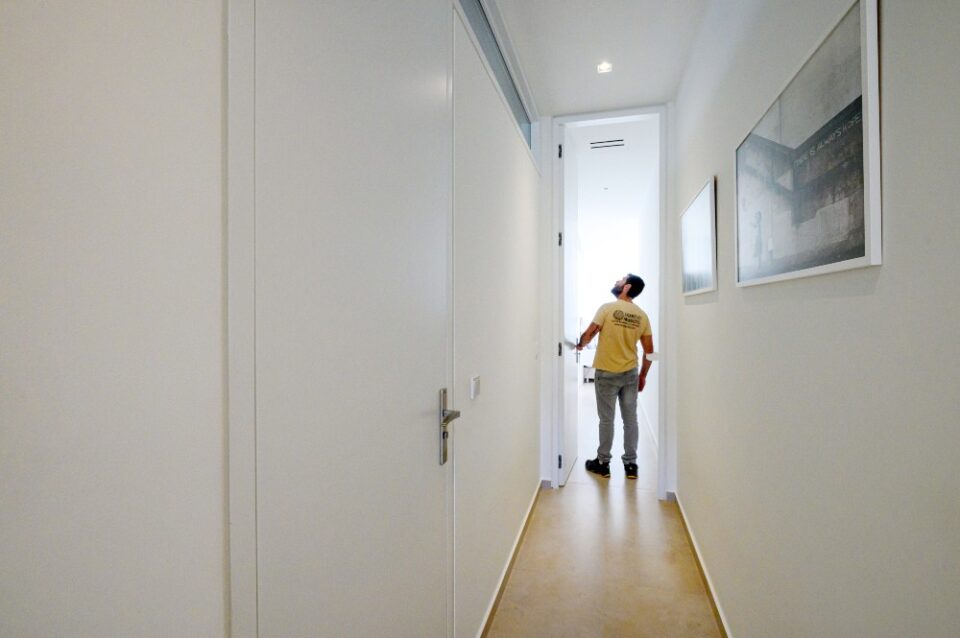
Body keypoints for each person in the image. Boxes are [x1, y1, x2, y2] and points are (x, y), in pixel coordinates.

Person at [576, 273, 654, 479]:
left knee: (606, 420)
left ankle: (603, 463)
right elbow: (650, 351)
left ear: (626, 287)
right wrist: (643, 375)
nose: (616, 282)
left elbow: (590, 333)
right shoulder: (642, 316)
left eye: (621, 280)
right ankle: (631, 464)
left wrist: (581, 344)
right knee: (631, 420)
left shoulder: (607, 308)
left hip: (607, 373)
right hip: (630, 374)